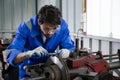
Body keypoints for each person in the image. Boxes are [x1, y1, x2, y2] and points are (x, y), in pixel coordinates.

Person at [5, 5, 74, 79]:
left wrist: (67, 51)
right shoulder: (26, 27)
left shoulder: (62, 26)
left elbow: (69, 46)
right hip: (28, 72)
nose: (50, 32)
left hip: (52, 71)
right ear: (39, 22)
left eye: (54, 28)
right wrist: (27, 54)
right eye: (46, 28)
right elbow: (11, 54)